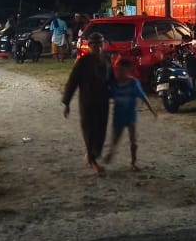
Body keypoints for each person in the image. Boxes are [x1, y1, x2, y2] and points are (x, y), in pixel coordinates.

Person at [62, 31, 112, 176]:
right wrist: (67, 103)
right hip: (87, 102)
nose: (97, 47)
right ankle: (92, 160)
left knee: (101, 131)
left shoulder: (107, 60)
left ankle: (92, 156)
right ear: (89, 46)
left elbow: (111, 80)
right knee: (90, 131)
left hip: (103, 101)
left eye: (100, 44)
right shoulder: (83, 62)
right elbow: (72, 82)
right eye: (94, 44)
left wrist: (116, 94)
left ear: (103, 45)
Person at [104, 58, 157, 171]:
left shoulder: (134, 83)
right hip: (118, 116)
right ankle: (111, 153)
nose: (120, 72)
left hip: (131, 116)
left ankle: (133, 162)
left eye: (122, 70)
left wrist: (152, 110)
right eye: (118, 70)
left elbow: (143, 97)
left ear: (129, 70)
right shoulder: (114, 84)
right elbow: (107, 96)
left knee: (134, 141)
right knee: (115, 139)